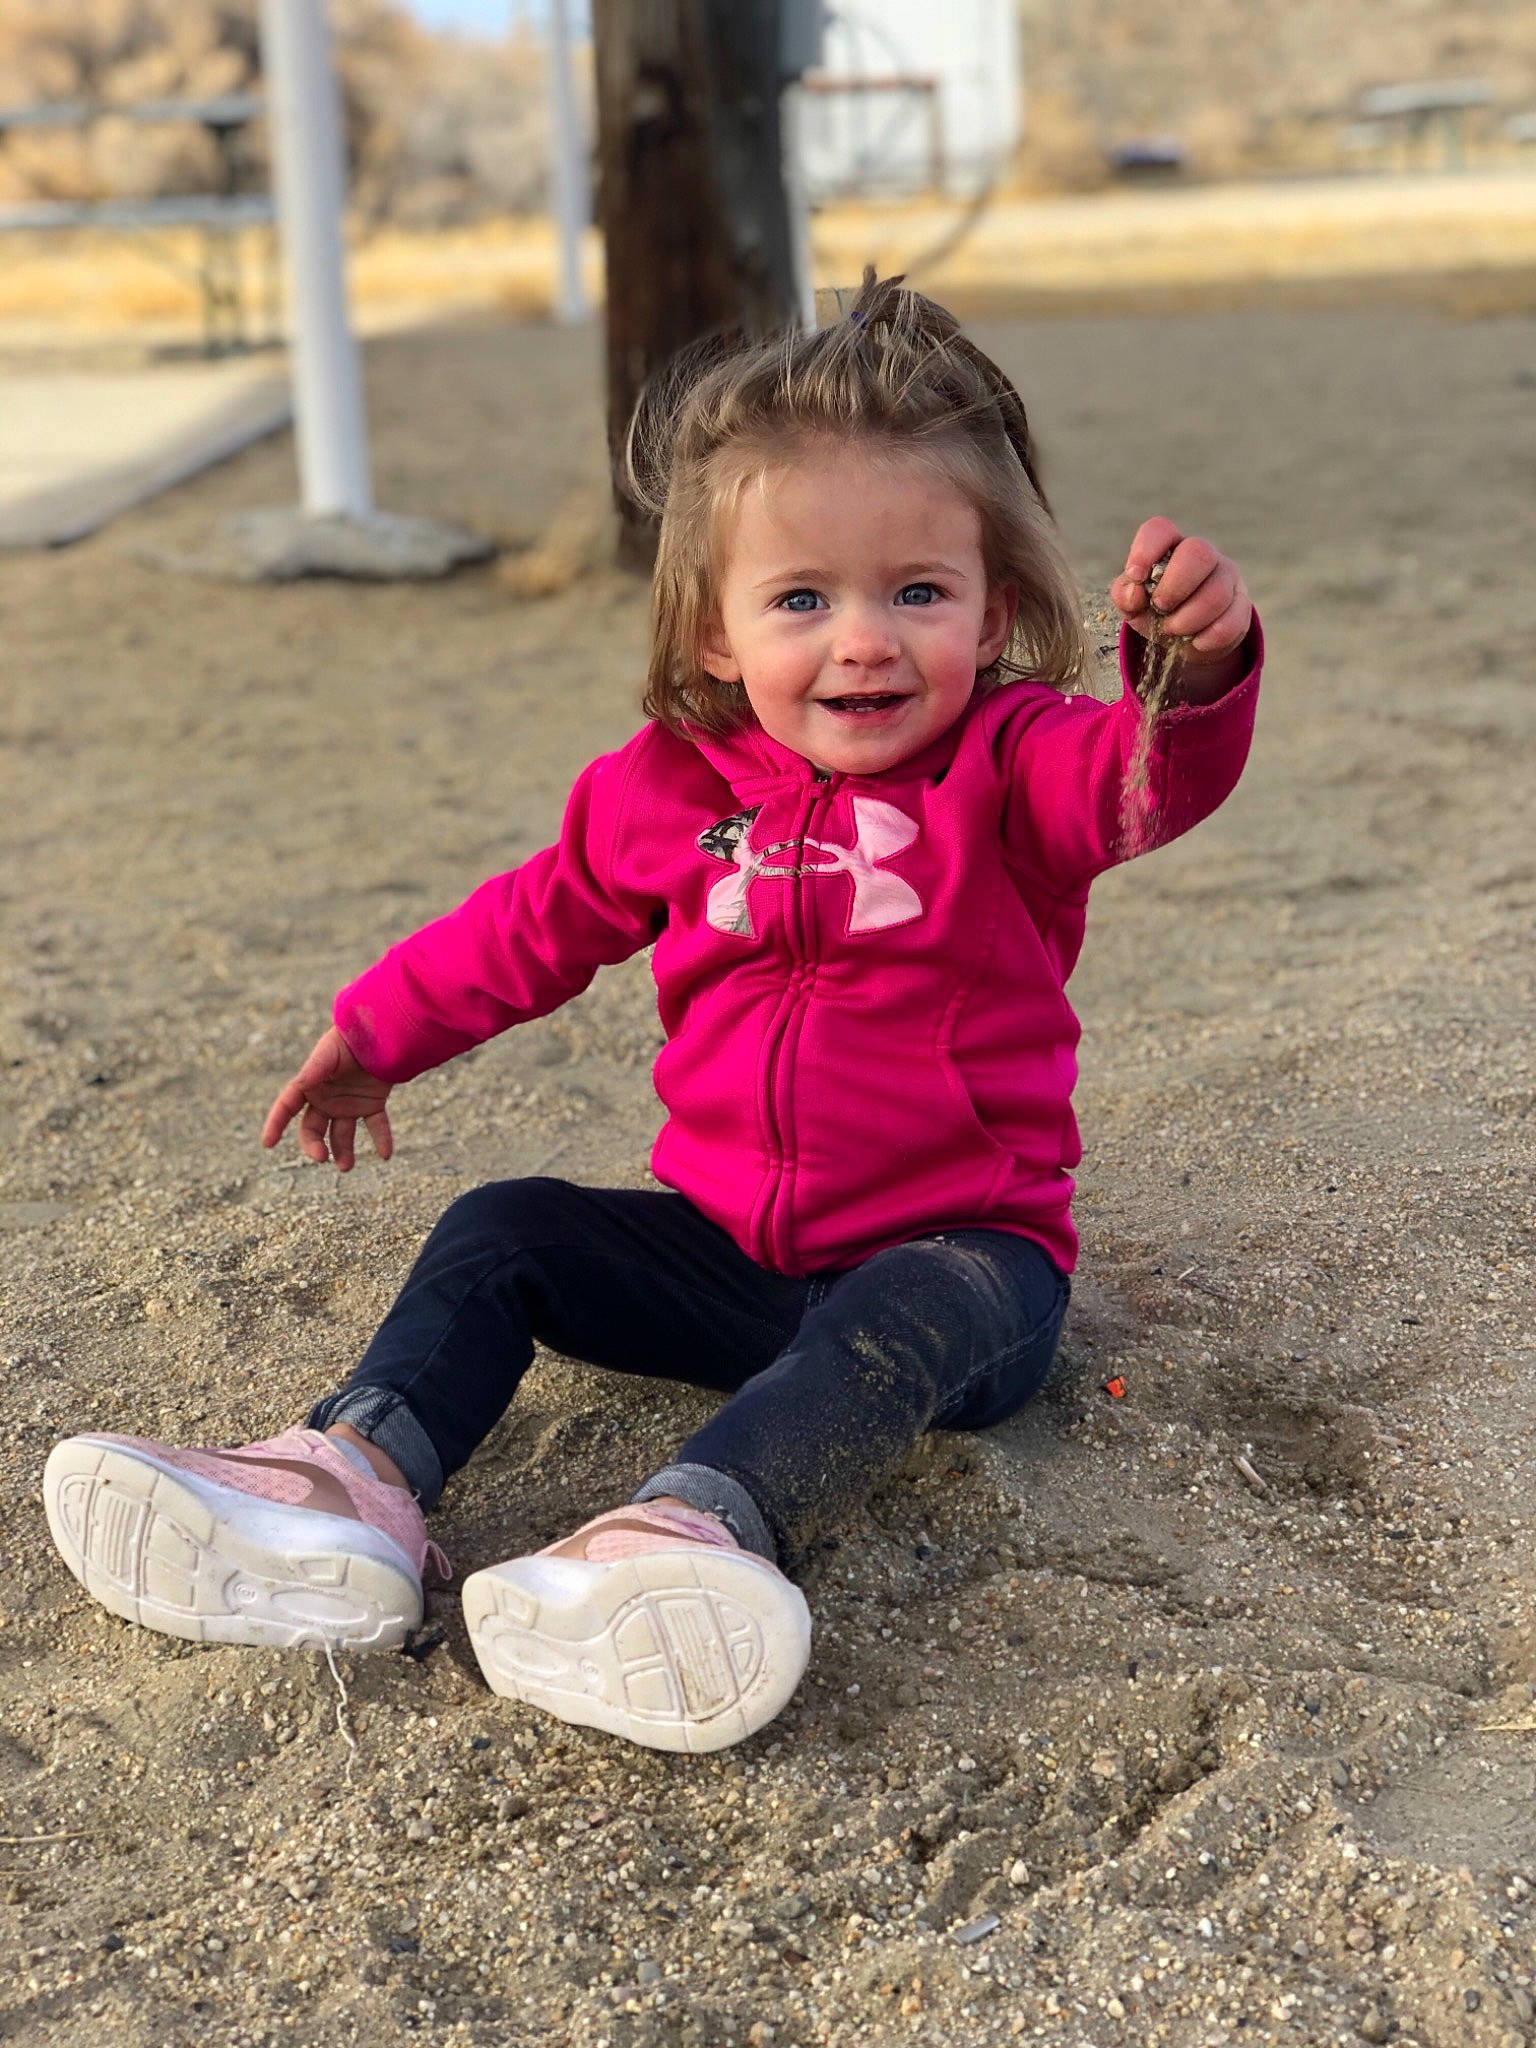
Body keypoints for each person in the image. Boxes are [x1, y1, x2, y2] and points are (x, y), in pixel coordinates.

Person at [43, 274, 1260, 1756]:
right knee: (506, 1229)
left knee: (891, 1315)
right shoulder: (670, 792)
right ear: (712, 636)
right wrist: (378, 1030)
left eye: (918, 593)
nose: (863, 640)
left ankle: (692, 1533)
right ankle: (351, 1485)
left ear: (996, 608)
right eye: (802, 599)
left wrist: (1185, 678)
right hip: (730, 1259)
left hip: (965, 1275)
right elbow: (533, 924)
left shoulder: (1011, 768)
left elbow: (1142, 787)